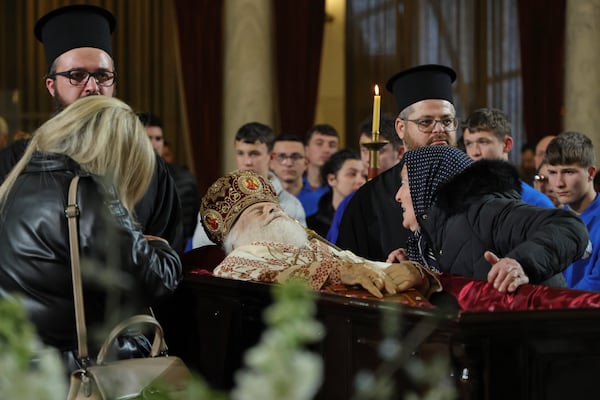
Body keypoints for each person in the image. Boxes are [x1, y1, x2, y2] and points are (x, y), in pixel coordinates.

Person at [0, 96, 183, 372]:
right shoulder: (91, 194)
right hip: (83, 372)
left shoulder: (19, 183)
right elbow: (157, 280)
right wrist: (161, 248)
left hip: (26, 369)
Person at [0, 4, 184, 253]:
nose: (92, 87)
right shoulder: (16, 162)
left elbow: (168, 253)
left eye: (102, 75)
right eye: (76, 75)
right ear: (51, 86)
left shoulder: (148, 164)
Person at [199, 170, 440, 299]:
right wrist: (338, 272)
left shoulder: (314, 247)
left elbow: (362, 267)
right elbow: (268, 277)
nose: (272, 209)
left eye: (273, 206)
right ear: (236, 235)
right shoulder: (239, 259)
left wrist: (416, 272)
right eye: (257, 211)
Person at [390, 146, 589, 292]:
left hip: (539, 339)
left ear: (427, 184)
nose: (398, 195)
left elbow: (569, 226)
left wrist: (521, 264)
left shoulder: (483, 210)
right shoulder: (433, 237)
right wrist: (417, 268)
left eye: (405, 182)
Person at [337, 64, 458, 261]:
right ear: (401, 128)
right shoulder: (369, 200)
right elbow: (351, 271)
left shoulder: (481, 185)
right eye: (426, 122)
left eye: (446, 121)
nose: (439, 130)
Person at [192, 122, 306, 248]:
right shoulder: (217, 200)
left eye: (254, 154)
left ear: (271, 156)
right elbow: (202, 250)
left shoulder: (291, 205)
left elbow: (300, 251)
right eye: (241, 153)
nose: (247, 162)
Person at [327, 113, 404, 244]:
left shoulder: (408, 195)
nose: (368, 158)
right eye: (364, 150)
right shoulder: (352, 200)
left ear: (400, 152)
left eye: (378, 150)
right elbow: (336, 249)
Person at [462, 108, 555, 208]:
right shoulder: (462, 198)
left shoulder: (536, 202)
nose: (475, 152)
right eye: (469, 144)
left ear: (507, 144)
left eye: (483, 142)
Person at [545, 132, 600, 291]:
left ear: (590, 173)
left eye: (568, 172)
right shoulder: (551, 220)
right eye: (552, 172)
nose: (558, 183)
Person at [138, 112, 201, 243]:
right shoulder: (125, 178)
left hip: (177, 251)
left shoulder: (185, 179)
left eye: (158, 138)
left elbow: (194, 225)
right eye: (148, 138)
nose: (154, 144)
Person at [307, 149, 366, 238]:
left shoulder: (369, 220)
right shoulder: (311, 226)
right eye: (352, 174)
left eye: (364, 175)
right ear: (332, 179)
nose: (361, 181)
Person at [298, 123, 339, 217]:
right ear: (306, 150)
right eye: (319, 143)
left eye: (332, 145)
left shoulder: (340, 189)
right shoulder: (294, 186)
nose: (326, 150)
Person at [269, 132, 307, 196]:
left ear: (306, 163)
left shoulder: (321, 200)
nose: (289, 164)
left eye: (295, 157)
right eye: (281, 156)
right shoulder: (260, 199)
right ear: (270, 163)